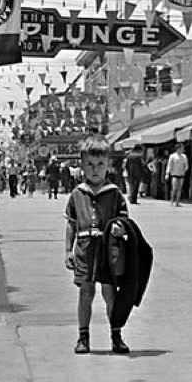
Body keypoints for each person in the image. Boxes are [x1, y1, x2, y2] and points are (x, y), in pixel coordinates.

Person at [65, 134, 131, 354]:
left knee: (110, 293)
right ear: (82, 166)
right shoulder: (77, 194)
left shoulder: (114, 194)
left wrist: (120, 229)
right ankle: (83, 336)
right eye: (90, 165)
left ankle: (116, 335)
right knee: (86, 292)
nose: (95, 169)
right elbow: (71, 224)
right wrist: (68, 250)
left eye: (100, 164)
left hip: (108, 249)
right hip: (84, 248)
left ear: (108, 165)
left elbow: (124, 220)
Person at [165, 142, 188, 207]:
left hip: (181, 174)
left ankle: (177, 202)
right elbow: (169, 165)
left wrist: (185, 169)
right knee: (174, 188)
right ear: (177, 148)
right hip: (174, 174)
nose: (181, 149)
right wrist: (167, 173)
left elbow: (186, 165)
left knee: (179, 188)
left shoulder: (184, 156)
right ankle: (172, 200)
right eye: (181, 148)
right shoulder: (172, 156)